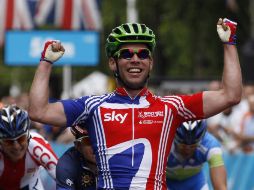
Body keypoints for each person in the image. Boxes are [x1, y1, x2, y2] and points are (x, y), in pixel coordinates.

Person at [28, 18, 242, 189]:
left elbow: (230, 95)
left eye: (143, 54)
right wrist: (46, 63)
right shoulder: (93, 106)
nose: (135, 59)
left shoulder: (171, 106)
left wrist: (229, 44)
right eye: (126, 54)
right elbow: (39, 111)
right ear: (113, 62)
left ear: (151, 63)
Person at [0, 105, 58, 190]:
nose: (16, 147)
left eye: (21, 139)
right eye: (9, 142)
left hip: (30, 184)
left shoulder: (36, 146)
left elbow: (64, 179)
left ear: (28, 135)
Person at [166, 120, 227, 190]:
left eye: (193, 146)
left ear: (201, 140)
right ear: (173, 138)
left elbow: (221, 187)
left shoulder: (211, 146)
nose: (187, 150)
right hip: (166, 182)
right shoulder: (162, 145)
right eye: (182, 146)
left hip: (196, 184)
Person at [56, 124, 97, 190]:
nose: (97, 146)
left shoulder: (117, 155)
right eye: (88, 141)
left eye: (101, 140)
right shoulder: (67, 164)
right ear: (78, 146)